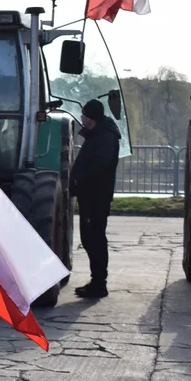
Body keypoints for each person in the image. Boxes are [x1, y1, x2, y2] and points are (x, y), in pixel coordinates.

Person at [69, 99, 122, 298]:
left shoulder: (106, 138)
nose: (81, 117)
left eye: (83, 114)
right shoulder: (98, 135)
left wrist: (79, 180)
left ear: (91, 117)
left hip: (96, 196)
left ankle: (99, 283)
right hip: (89, 195)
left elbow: (99, 166)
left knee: (95, 238)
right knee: (89, 238)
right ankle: (96, 281)